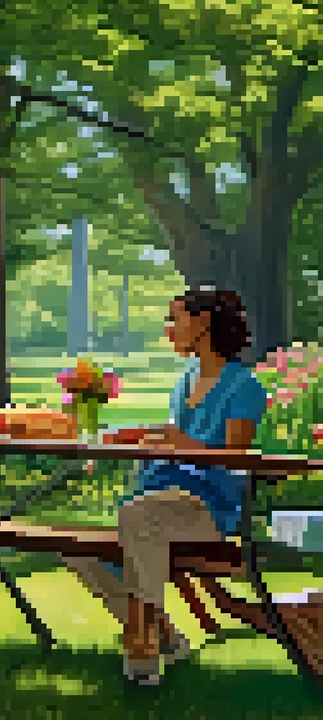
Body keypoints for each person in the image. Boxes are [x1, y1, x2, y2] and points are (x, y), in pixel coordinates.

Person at [61, 287, 280, 685]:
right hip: (159, 499)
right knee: (78, 549)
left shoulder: (243, 386)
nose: (168, 329)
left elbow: (235, 457)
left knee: (138, 516)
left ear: (203, 323)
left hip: (209, 507)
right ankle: (166, 636)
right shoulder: (187, 379)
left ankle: (142, 641)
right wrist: (133, 435)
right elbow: (175, 436)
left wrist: (177, 442)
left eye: (175, 318)